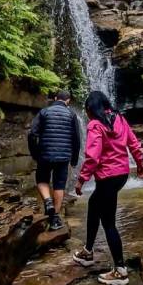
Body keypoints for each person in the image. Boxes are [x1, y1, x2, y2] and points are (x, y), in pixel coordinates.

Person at [72, 90, 143, 285]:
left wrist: (81, 180)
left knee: (109, 223)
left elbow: (93, 156)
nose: (87, 113)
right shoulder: (120, 119)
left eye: (87, 109)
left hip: (107, 177)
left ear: (92, 109)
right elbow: (134, 144)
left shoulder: (95, 125)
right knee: (94, 203)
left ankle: (120, 271)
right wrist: (139, 165)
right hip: (121, 175)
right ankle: (87, 251)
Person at [28, 89, 81, 231]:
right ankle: (55, 219)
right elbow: (76, 139)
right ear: (68, 101)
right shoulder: (71, 114)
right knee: (59, 185)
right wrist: (74, 160)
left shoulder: (44, 112)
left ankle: (47, 201)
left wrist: (35, 153)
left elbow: (33, 133)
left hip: (45, 154)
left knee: (41, 180)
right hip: (63, 157)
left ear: (55, 98)